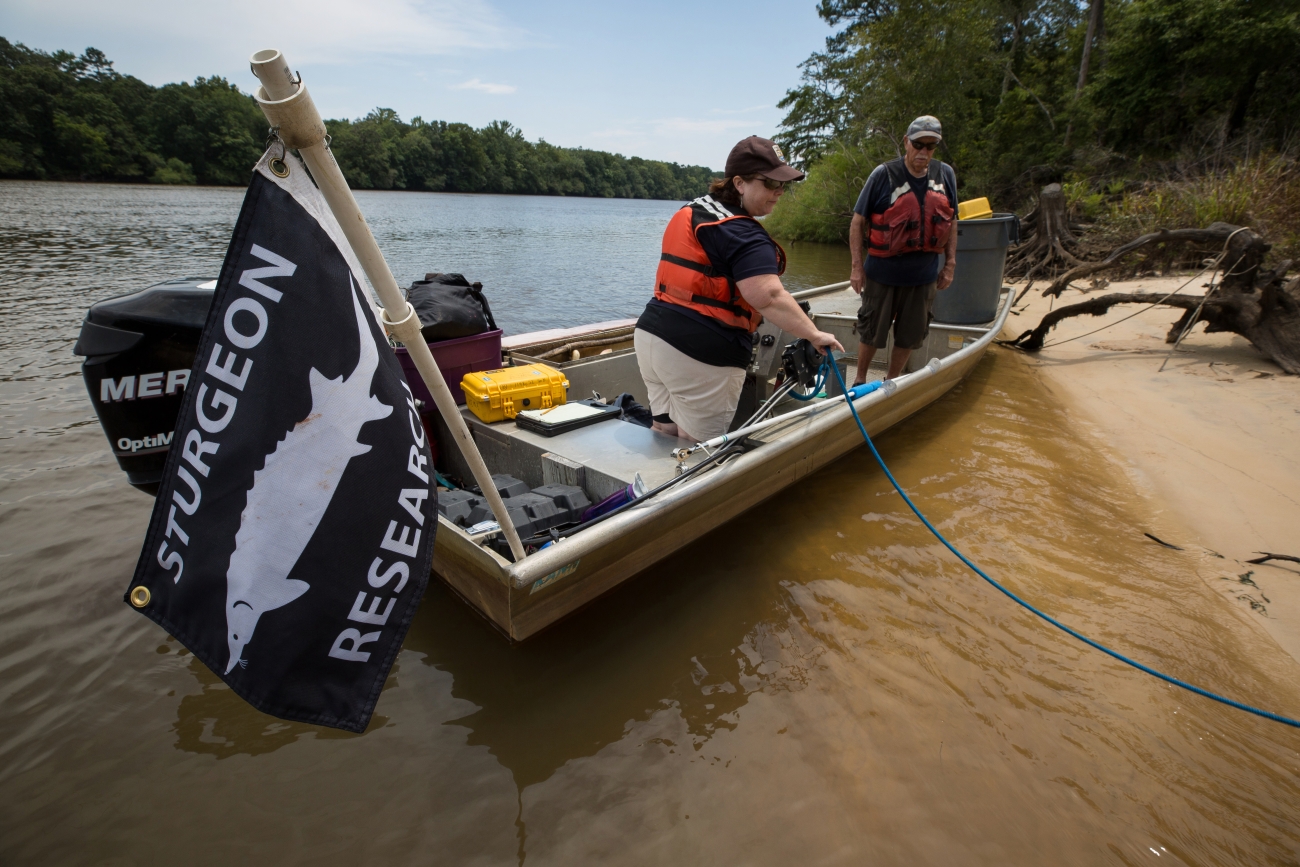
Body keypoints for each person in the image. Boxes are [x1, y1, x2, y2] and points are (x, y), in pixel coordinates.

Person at [634, 136, 844, 442]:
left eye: (783, 184)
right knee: (696, 449)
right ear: (739, 183)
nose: (779, 191)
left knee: (664, 433)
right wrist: (813, 334)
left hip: (652, 339)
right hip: (700, 354)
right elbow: (768, 297)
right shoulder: (744, 233)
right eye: (771, 182)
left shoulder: (694, 211)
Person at [848, 115, 959, 384]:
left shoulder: (945, 174)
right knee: (871, 330)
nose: (923, 151)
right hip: (882, 274)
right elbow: (857, 222)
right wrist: (856, 268)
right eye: (918, 144)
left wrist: (950, 264)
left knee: (911, 334)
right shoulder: (883, 174)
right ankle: (860, 379)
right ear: (906, 142)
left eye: (930, 146)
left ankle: (891, 382)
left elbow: (952, 220)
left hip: (923, 277)